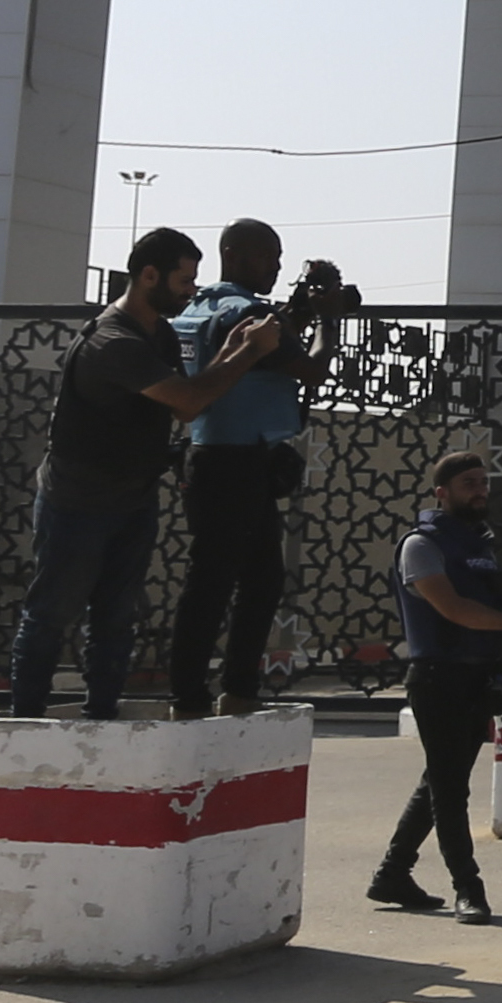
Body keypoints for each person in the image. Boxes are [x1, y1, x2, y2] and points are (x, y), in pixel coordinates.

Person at [7, 229, 283, 719]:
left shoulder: (158, 334)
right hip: (78, 501)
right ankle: (24, 725)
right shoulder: (113, 341)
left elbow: (186, 400)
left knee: (115, 620)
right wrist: (249, 351)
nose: (191, 291)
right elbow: (189, 401)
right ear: (149, 276)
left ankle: (101, 720)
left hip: (132, 497)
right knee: (51, 613)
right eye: (183, 281)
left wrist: (233, 347)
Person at [163, 220, 333, 716]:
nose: (275, 267)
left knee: (238, 580)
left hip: (208, 455)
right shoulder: (250, 313)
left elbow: (261, 354)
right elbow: (312, 368)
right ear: (234, 254)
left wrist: (294, 314)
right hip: (238, 463)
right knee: (235, 584)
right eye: (267, 257)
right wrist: (329, 320)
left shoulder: (200, 307)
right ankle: (209, 694)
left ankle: (212, 692)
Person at [370, 450, 502, 925]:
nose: (480, 490)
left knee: (442, 779)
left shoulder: (478, 545)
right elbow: (453, 608)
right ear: (441, 493)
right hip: (438, 678)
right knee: (449, 788)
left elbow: (501, 599)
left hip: (480, 678)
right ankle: (468, 888)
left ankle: (393, 873)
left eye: (483, 481)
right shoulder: (421, 545)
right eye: (468, 483)